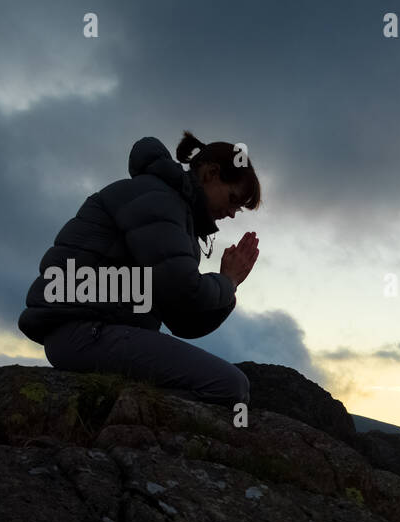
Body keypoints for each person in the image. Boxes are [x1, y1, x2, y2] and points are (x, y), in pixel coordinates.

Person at [18, 132, 261, 405]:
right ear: (211, 173)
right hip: (83, 331)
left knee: (231, 386)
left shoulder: (176, 214)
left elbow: (183, 320)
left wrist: (231, 286)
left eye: (237, 210)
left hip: (93, 334)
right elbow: (184, 289)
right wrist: (225, 282)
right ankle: (120, 409)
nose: (230, 214)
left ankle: (117, 405)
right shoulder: (158, 199)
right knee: (229, 386)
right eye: (232, 199)